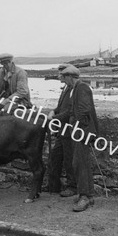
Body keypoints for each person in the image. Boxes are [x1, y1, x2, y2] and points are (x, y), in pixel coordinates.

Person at [61, 65, 99, 212]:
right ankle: (88, 196)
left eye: (65, 78)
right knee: (82, 163)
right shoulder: (76, 89)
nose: (64, 81)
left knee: (79, 163)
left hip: (83, 132)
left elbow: (84, 112)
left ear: (71, 76)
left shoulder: (82, 88)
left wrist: (75, 126)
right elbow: (73, 110)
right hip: (80, 131)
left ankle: (84, 197)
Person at [47, 64, 76, 196]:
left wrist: (55, 118)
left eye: (61, 74)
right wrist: (53, 111)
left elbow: (70, 111)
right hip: (62, 131)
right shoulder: (65, 88)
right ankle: (53, 186)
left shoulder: (74, 89)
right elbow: (61, 107)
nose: (59, 76)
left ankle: (72, 187)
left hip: (70, 130)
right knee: (55, 157)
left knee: (69, 159)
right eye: (59, 74)